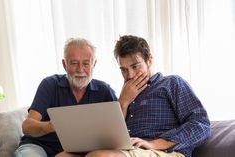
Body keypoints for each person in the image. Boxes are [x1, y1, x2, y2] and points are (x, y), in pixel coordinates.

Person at [56, 35, 211, 157]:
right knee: (63, 155)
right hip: (128, 150)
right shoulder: (126, 93)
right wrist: (123, 102)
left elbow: (201, 124)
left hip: (163, 152)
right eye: (123, 69)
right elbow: (112, 135)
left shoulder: (171, 83)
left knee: (100, 156)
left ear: (149, 60)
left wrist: (157, 143)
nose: (129, 75)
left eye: (135, 66)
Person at [14, 38, 117, 157]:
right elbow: (27, 126)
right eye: (74, 63)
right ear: (64, 64)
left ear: (94, 64)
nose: (80, 70)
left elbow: (119, 129)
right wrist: (50, 126)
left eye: (86, 63)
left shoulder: (104, 90)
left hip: (77, 152)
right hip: (39, 146)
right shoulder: (50, 85)